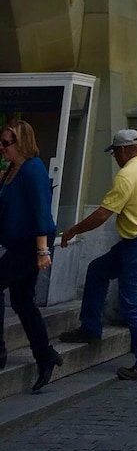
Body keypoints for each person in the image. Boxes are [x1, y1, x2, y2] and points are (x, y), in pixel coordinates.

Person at [60, 130, 137, 381]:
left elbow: (102, 214)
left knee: (132, 305)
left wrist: (73, 230)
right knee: (98, 270)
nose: (115, 157)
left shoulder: (127, 175)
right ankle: (91, 328)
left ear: (124, 150)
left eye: (115, 152)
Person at [0, 122, 61, 393]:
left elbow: (40, 212)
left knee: (19, 298)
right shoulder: (12, 170)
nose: (1, 148)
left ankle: (2, 350)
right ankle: (45, 355)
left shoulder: (33, 169)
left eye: (6, 143)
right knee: (23, 301)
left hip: (31, 244)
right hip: (17, 242)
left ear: (22, 143)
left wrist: (42, 251)